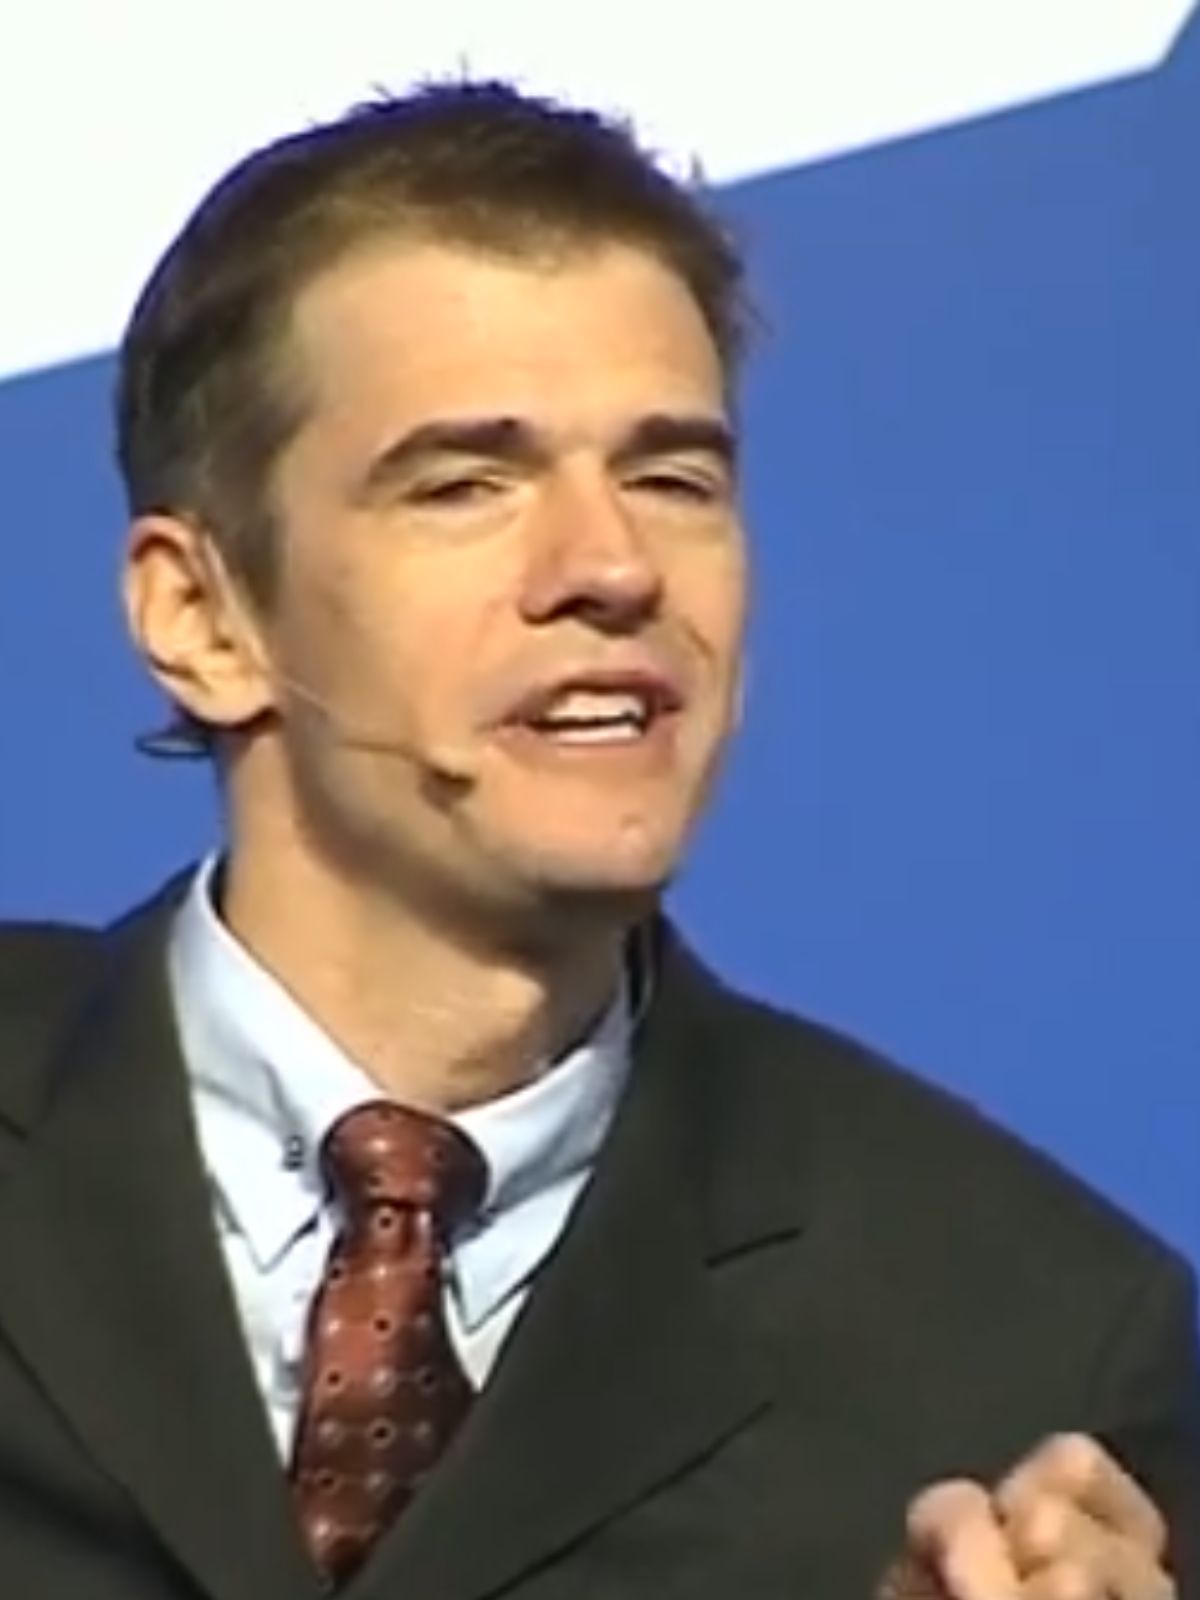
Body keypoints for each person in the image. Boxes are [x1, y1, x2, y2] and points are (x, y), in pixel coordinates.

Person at [0, 80, 1195, 1600]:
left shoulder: (1026, 1353)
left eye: (672, 477)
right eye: (466, 484)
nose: (613, 566)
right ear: (202, 616)